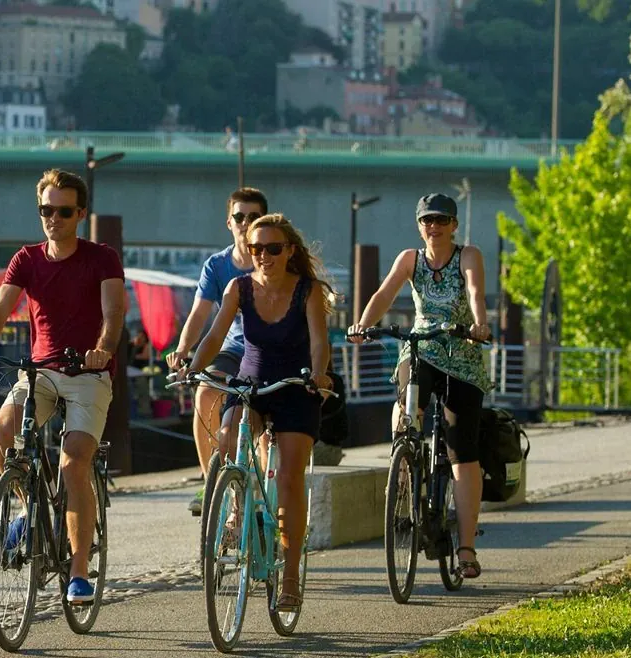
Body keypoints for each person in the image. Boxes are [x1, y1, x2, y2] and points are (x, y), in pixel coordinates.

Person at [0, 168, 127, 605]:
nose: (54, 218)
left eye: (64, 211)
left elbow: (113, 314)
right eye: (46, 210)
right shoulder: (26, 259)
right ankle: (30, 511)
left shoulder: (101, 257)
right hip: (41, 373)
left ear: (81, 214)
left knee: (73, 466)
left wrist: (103, 349)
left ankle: (79, 570)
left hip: (88, 374)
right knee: (2, 431)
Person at [180, 214, 335, 611]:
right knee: (228, 437)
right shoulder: (238, 287)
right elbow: (215, 335)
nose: (263, 255)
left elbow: (319, 342)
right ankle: (235, 511)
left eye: (273, 248)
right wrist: (194, 368)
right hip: (250, 381)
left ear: (289, 251)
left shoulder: (308, 290)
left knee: (288, 477)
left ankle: (291, 576)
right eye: (255, 248)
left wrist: (318, 376)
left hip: (295, 385)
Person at [348, 193, 491, 579]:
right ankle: (404, 454)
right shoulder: (410, 259)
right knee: (407, 390)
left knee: (463, 451)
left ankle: (465, 548)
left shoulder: (469, 255)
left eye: (442, 219)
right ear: (419, 226)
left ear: (454, 225)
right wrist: (363, 324)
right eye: (428, 219)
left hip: (463, 353)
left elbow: (475, 292)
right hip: (423, 346)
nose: (435, 226)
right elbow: (384, 293)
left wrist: (479, 323)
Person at [168, 187, 269, 516]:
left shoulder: (274, 258)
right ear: (229, 222)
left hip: (269, 351)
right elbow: (199, 314)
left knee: (254, 422)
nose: (245, 222)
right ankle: (210, 479)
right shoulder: (217, 265)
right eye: (239, 217)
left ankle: (258, 492)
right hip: (234, 347)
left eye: (253, 217)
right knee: (205, 393)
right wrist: (183, 351)